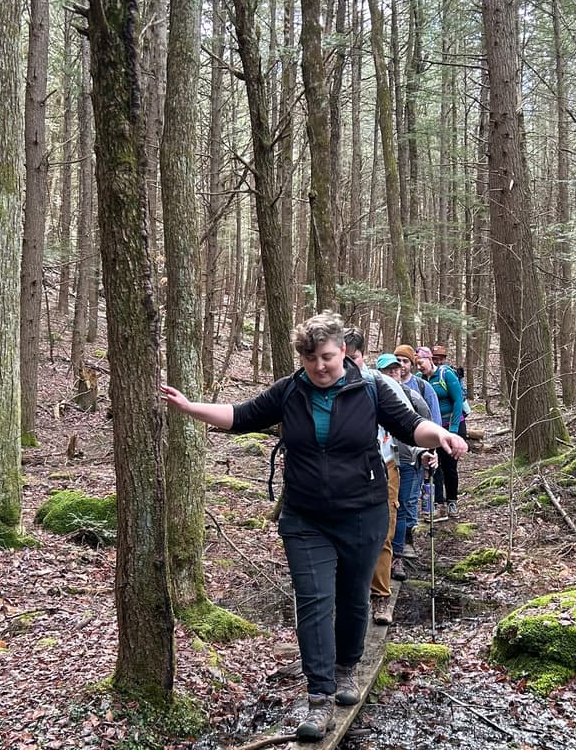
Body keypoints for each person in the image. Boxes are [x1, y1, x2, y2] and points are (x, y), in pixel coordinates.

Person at [161, 312, 467, 742]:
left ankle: (347, 670)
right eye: (310, 358)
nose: (319, 366)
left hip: (363, 512)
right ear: (301, 358)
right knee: (314, 600)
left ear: (343, 350)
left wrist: (443, 437)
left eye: (326, 356)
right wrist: (189, 407)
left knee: (353, 597)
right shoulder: (289, 392)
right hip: (305, 517)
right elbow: (240, 414)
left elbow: (412, 425)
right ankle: (319, 696)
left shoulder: (372, 387)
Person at [343, 329, 409, 627]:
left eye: (353, 358)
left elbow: (407, 420)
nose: (346, 364)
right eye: (342, 357)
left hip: (384, 465)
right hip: (344, 472)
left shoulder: (377, 383)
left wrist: (423, 452)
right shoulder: (324, 383)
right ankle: (345, 596)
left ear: (363, 357)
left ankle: (381, 596)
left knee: (383, 530)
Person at [376, 353, 436, 582]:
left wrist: (430, 451)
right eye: (387, 369)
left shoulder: (412, 396)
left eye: (395, 368)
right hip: (380, 461)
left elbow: (427, 422)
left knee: (401, 507)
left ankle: (396, 557)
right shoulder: (370, 395)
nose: (393, 372)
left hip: (408, 460)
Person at [393, 343, 442, 557]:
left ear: (411, 364)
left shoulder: (422, 388)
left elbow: (434, 420)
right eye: (398, 361)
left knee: (411, 497)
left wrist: (433, 448)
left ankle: (407, 538)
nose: (402, 365)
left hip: (416, 452)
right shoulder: (385, 386)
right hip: (391, 454)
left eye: (405, 361)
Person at [415, 345, 465, 517]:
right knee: (434, 465)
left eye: (421, 363)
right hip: (431, 428)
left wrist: (453, 430)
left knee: (450, 466)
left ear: (429, 359)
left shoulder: (445, 374)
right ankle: (436, 502)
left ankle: (452, 501)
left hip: (450, 424)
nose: (419, 367)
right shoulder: (419, 379)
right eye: (417, 364)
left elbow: (458, 400)